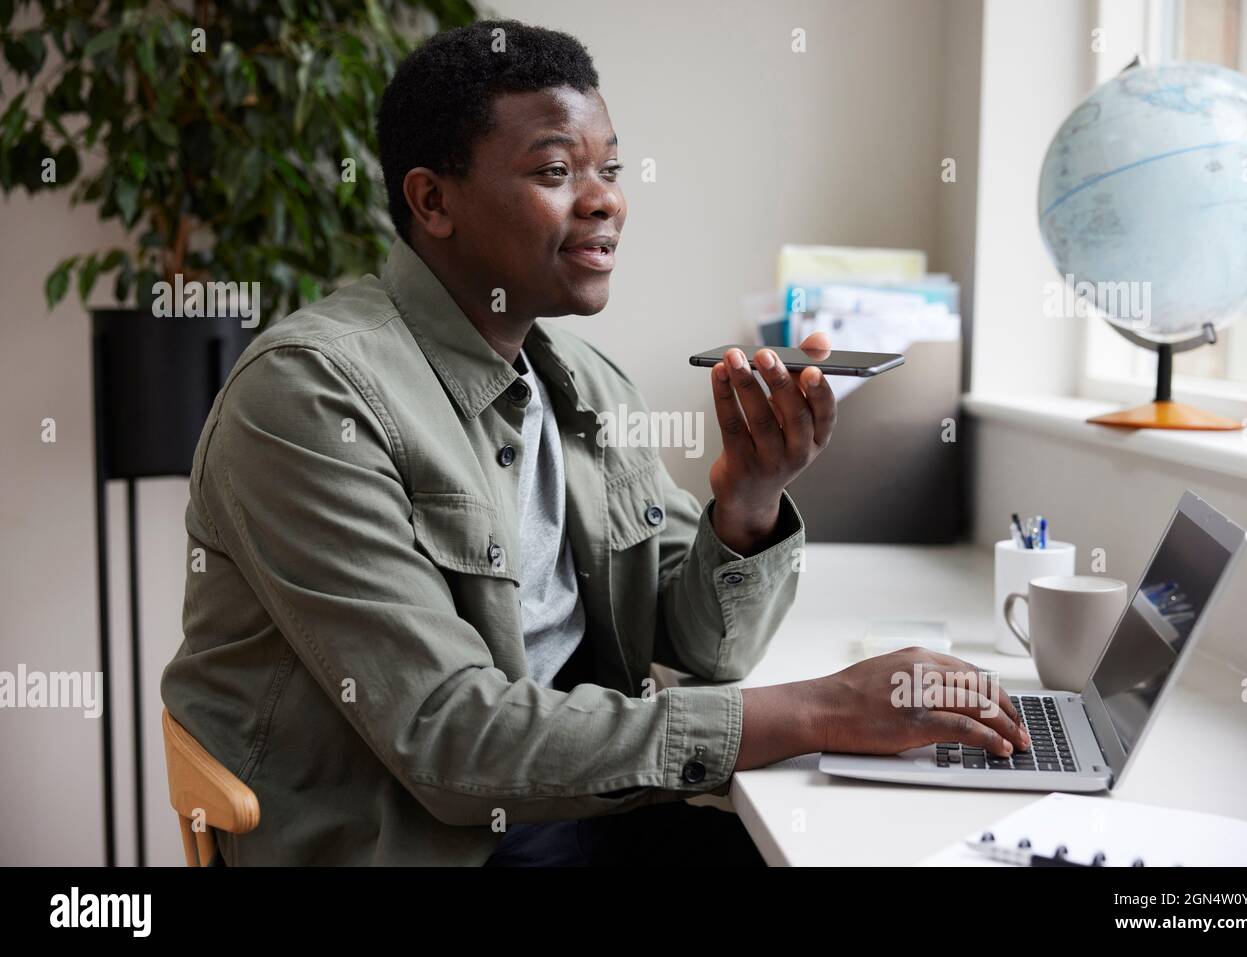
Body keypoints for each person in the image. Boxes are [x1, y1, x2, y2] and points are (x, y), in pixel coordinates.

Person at [161, 18, 1026, 866]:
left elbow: (701, 648)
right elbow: (449, 740)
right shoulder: (311, 397)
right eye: (555, 169)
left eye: (609, 167)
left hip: (579, 803)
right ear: (433, 201)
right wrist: (822, 708)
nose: (607, 195)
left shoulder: (584, 381)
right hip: (427, 838)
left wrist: (751, 499)